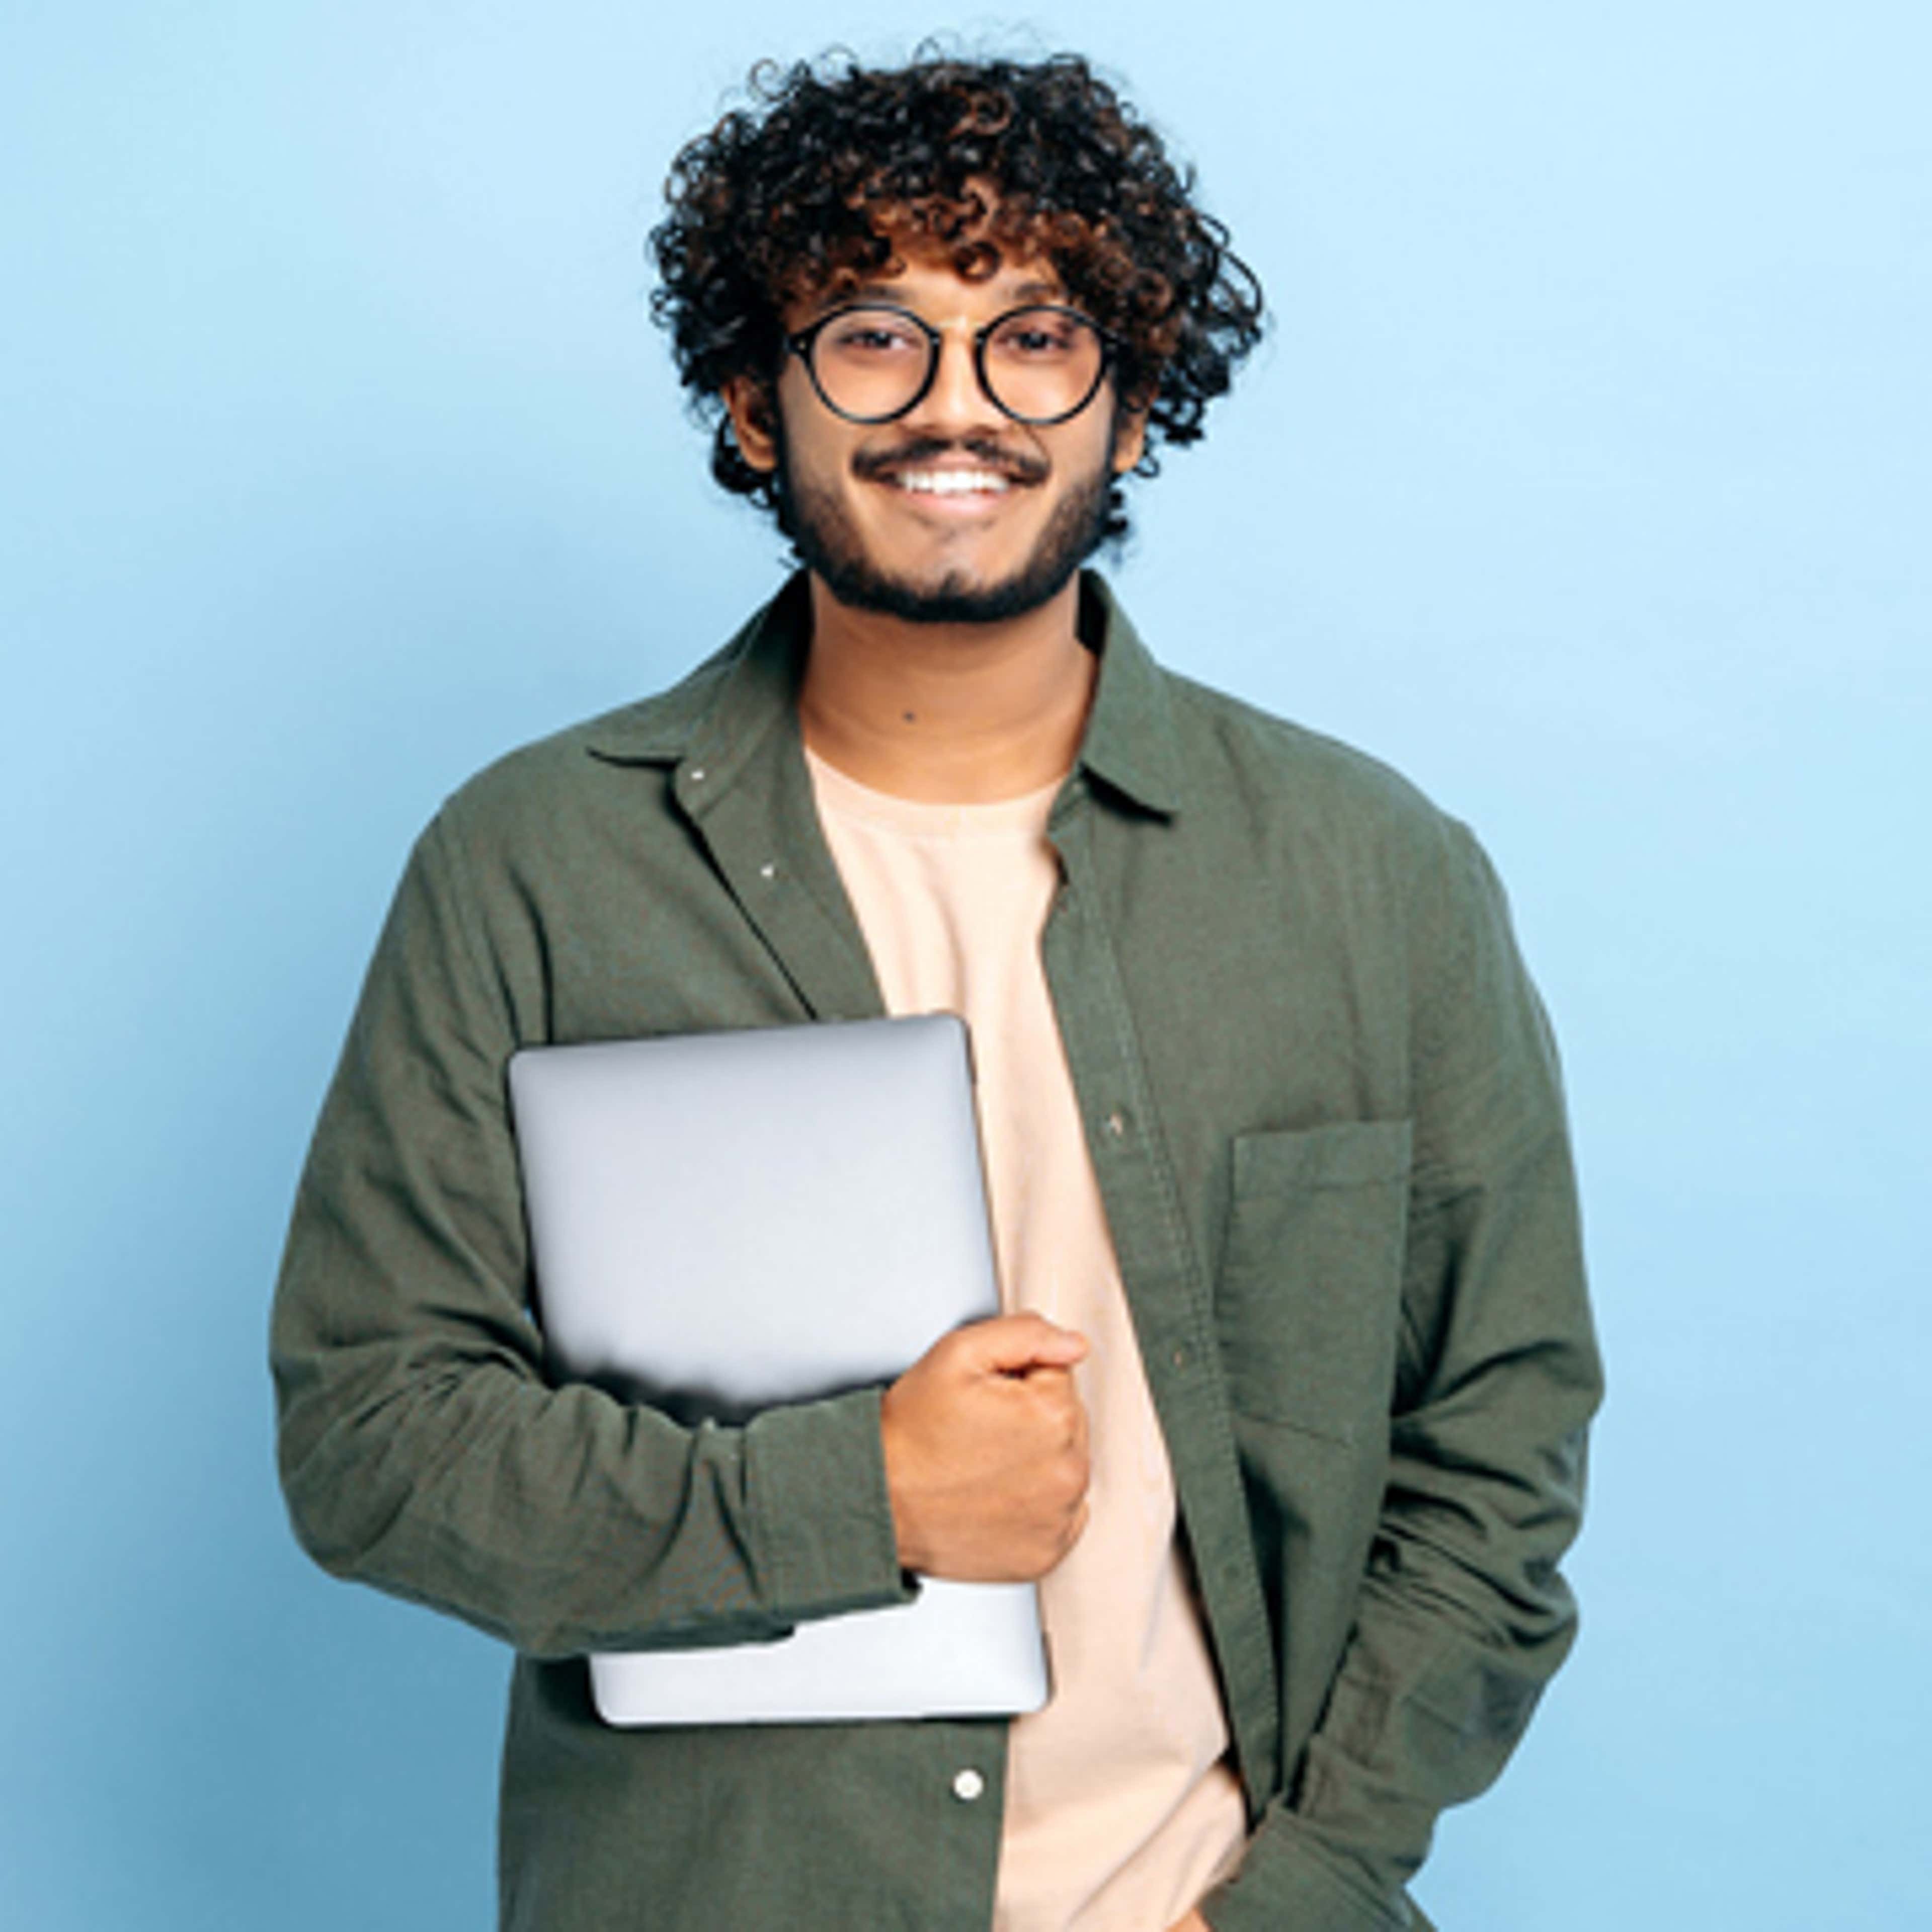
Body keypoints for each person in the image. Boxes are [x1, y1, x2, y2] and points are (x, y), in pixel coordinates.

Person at [272, 48, 1601, 1932]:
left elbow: (1496, 1465)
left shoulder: (1377, 878)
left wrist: (1299, 1893)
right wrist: (862, 1496)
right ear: (756, 402)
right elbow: (372, 1443)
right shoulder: (536, 865)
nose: (956, 408)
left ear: (1129, 408)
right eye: (875, 337)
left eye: (1037, 338)